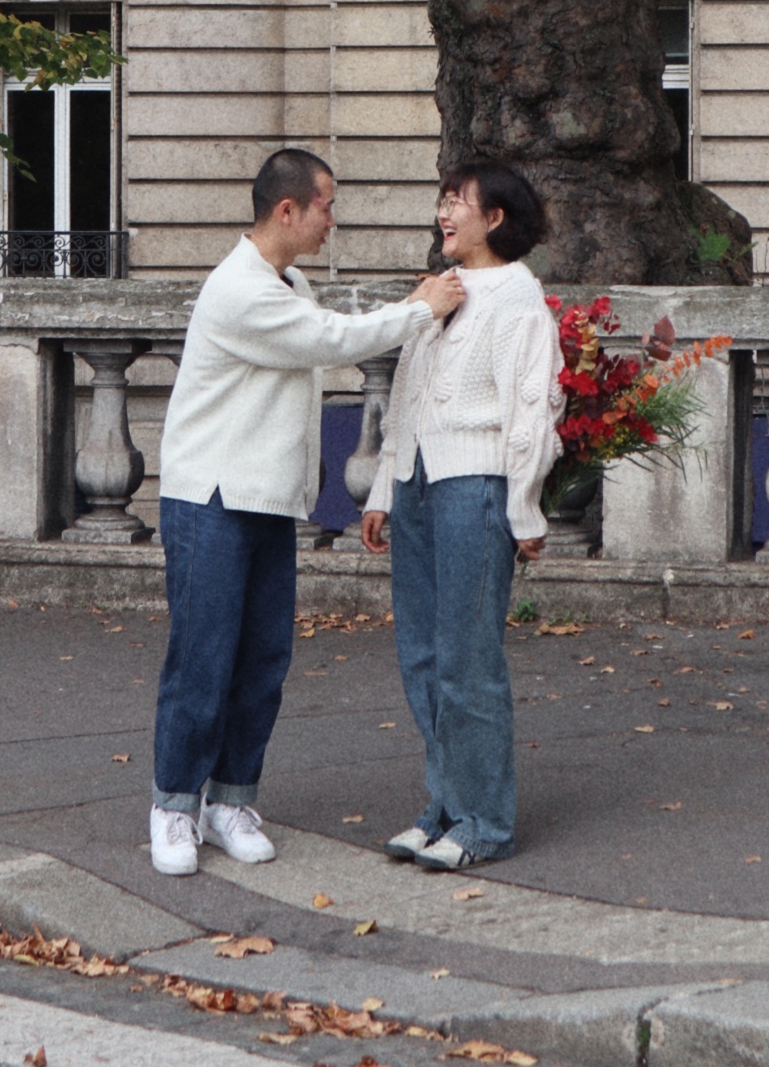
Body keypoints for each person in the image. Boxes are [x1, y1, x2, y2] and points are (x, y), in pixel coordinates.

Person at [149, 147, 465, 877]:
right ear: (286, 210)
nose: (333, 220)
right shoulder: (240, 289)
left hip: (262, 499)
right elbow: (332, 340)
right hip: (212, 498)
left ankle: (230, 801)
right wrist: (420, 309)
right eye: (327, 205)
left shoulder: (285, 280)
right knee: (203, 656)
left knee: (262, 657)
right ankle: (173, 805)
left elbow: (322, 336)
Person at [360, 159, 564, 873]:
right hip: (419, 481)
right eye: (442, 200)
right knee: (421, 654)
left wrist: (524, 505)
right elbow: (406, 396)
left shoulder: (518, 298)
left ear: (496, 218)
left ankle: (484, 820)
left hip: (475, 487)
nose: (444, 213)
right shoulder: (437, 291)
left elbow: (534, 409)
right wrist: (386, 487)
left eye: (459, 203)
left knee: (468, 661)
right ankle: (444, 804)